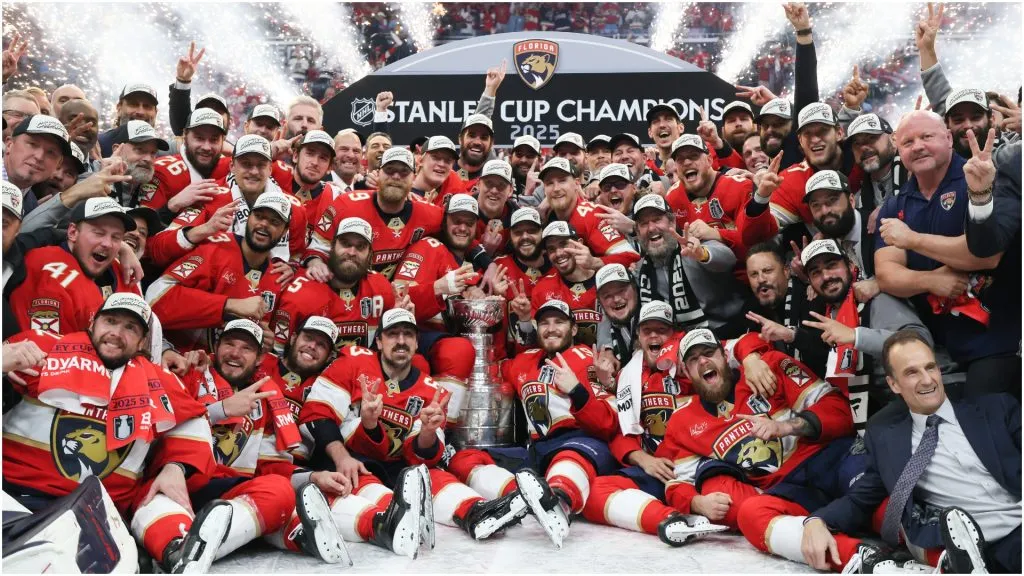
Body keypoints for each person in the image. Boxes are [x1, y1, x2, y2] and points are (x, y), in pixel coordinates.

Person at [299, 308, 557, 554]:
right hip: (350, 459)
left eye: (408, 335)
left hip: (395, 464)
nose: (401, 341)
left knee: (429, 474)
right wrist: (343, 455)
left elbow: (424, 456)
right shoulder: (353, 362)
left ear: (416, 342)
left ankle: (476, 513)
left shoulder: (430, 389)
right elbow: (316, 414)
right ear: (378, 341)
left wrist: (428, 433)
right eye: (393, 334)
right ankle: (390, 516)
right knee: (362, 473)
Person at [3, 293, 225, 573]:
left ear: (143, 341)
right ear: (93, 323)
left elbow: (195, 419)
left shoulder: (160, 380)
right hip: (18, 499)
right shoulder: (45, 348)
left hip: (101, 513)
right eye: (111, 321)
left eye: (130, 328)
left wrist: (176, 466)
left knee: (159, 495)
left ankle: (177, 548)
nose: (117, 333)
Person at [133, 318, 355, 568]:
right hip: (175, 478)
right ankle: (180, 548)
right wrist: (222, 410)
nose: (235, 354)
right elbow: (157, 429)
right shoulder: (188, 370)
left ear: (260, 358)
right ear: (216, 346)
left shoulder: (266, 398)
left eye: (247, 348)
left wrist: (313, 476)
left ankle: (193, 551)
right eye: (230, 343)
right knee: (155, 499)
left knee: (279, 492)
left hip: (226, 493)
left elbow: (269, 467)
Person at [800, 330, 1021, 574]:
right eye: (912, 372)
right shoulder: (889, 441)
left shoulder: (996, 409)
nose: (927, 380)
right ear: (893, 384)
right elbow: (861, 498)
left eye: (930, 367)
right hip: (988, 547)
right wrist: (816, 521)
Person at [446, 300, 617, 548]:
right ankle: (521, 498)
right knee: (464, 458)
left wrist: (578, 391)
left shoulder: (589, 360)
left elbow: (608, 424)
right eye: (545, 323)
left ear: (574, 329)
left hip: (581, 441)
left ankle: (558, 503)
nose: (551, 328)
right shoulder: (524, 361)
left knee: (570, 457)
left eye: (559, 322)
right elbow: (494, 364)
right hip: (538, 451)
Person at [875, 111, 1015, 397]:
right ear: (898, 151)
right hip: (937, 350)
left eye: (927, 136)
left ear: (949, 138)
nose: (917, 146)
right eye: (908, 141)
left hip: (998, 342)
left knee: (988, 423)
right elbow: (887, 274)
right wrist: (930, 280)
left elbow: (987, 255)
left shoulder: (980, 176)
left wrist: (912, 240)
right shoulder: (895, 205)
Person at [798, 239, 932, 435]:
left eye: (832, 265)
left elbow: (921, 341)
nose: (826, 276)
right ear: (810, 283)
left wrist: (855, 336)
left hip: (931, 392)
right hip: (889, 410)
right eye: (816, 273)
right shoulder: (827, 318)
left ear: (850, 266)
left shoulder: (875, 299)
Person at [146, 193, 292, 352]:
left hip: (221, 367)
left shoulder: (277, 278)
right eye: (258, 216)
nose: (264, 224)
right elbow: (155, 299)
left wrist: (262, 342)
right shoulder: (214, 248)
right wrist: (228, 305)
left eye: (274, 222)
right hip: (171, 352)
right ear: (248, 218)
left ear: (284, 232)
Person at [145, 134, 307, 269]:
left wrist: (291, 267)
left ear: (270, 169)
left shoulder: (294, 208)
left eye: (261, 165)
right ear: (232, 166)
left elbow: (296, 255)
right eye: (246, 164)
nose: (254, 171)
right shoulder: (210, 196)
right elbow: (157, 249)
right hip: (213, 282)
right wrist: (205, 229)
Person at [307, 147, 447, 280]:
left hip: (397, 294)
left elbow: (460, 237)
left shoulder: (431, 213)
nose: (396, 176)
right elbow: (317, 248)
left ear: (414, 178)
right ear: (377, 174)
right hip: (347, 286)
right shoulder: (345, 204)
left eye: (404, 172)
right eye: (389, 170)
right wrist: (315, 262)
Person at [10, 197, 140, 335]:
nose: (107, 243)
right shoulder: (47, 274)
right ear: (72, 232)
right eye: (99, 233)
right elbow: (49, 350)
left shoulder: (120, 269)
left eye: (116, 237)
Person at [271, 217, 394, 352]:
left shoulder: (381, 287)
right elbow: (277, 355)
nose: (352, 252)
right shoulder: (300, 295)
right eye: (345, 244)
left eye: (360, 247)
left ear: (370, 254)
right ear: (332, 246)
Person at [633, 193, 745, 338]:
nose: (651, 228)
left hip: (732, 329)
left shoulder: (692, 245)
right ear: (637, 232)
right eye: (644, 224)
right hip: (684, 342)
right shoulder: (641, 271)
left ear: (672, 222)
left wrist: (701, 254)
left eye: (657, 219)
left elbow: (728, 259)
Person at [538, 157, 639, 269]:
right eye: (549, 183)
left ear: (577, 184)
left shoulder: (593, 215)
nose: (556, 188)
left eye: (562, 181)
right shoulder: (543, 216)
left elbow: (630, 256)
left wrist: (594, 262)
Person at [142, 107, 230, 215]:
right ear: (185, 135)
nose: (207, 147)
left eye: (214, 139)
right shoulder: (160, 171)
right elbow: (142, 227)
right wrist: (172, 205)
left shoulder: (232, 167)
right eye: (199, 138)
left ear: (223, 141)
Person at [492, 206, 549, 356]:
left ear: (542, 233)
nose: (525, 236)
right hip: (513, 359)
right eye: (518, 232)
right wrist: (495, 302)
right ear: (510, 236)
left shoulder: (558, 266)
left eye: (531, 231)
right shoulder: (499, 266)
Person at [3, 113, 73, 215]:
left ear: (58, 163)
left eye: (51, 152)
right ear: (9, 145)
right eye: (32, 144)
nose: (39, 156)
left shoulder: (32, 207)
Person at [107, 120, 169, 209]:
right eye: (140, 150)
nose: (148, 159)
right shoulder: (96, 182)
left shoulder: (157, 187)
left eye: (153, 153)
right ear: (117, 150)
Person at [97, 83, 159, 157]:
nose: (140, 112)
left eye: (147, 106)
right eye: (133, 104)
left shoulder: (164, 151)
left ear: (156, 112)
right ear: (119, 108)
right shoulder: (97, 145)